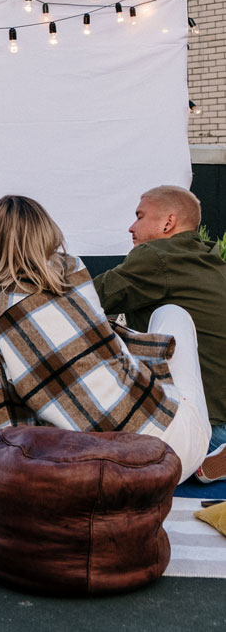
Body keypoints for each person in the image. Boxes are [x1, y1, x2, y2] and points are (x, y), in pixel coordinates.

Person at [0, 194, 210, 484]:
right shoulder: (73, 268)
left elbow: (3, 409)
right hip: (174, 448)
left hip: (114, 476)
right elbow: (16, 254)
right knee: (172, 314)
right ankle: (203, 448)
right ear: (48, 234)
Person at [91, 186, 226, 480]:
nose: (131, 227)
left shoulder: (157, 256)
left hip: (201, 427)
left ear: (168, 223)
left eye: (139, 216)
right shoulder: (211, 260)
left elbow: (84, 300)